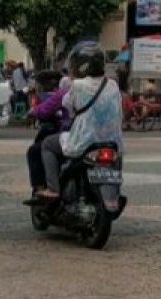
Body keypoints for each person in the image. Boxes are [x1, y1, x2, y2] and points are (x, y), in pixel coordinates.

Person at [36, 42, 124, 201]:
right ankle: (115, 194)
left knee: (48, 144)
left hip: (85, 141)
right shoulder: (113, 85)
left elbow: (68, 108)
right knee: (116, 160)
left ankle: (53, 189)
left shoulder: (78, 85)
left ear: (82, 65)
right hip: (112, 141)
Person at [25, 76, 72, 198]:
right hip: (106, 138)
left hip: (76, 135)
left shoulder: (66, 94)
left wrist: (32, 113)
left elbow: (44, 110)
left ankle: (50, 188)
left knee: (41, 147)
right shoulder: (109, 89)